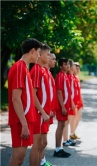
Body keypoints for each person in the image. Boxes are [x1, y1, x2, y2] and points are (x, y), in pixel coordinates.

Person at [7, 38, 42, 166]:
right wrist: (24, 124)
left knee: (19, 158)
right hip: (20, 121)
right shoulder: (19, 67)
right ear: (32, 51)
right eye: (38, 52)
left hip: (24, 120)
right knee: (18, 157)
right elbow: (15, 98)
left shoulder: (24, 68)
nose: (39, 55)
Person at [29, 43, 51, 166]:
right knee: (36, 145)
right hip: (38, 114)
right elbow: (33, 94)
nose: (48, 57)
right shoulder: (37, 70)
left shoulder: (42, 70)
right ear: (40, 54)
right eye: (47, 54)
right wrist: (42, 111)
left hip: (44, 114)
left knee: (41, 144)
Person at [40, 53, 57, 166]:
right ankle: (41, 162)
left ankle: (43, 161)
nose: (54, 60)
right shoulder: (39, 71)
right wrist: (43, 111)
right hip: (41, 113)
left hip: (48, 112)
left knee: (43, 142)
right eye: (51, 57)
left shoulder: (48, 73)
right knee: (40, 142)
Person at [54, 58, 71, 158]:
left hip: (65, 106)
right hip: (62, 106)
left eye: (68, 64)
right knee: (60, 126)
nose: (68, 66)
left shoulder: (65, 76)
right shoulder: (60, 76)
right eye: (65, 64)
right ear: (60, 66)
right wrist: (63, 107)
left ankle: (60, 148)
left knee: (62, 126)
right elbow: (59, 92)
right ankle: (57, 149)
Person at [62, 59, 76, 146]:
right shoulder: (67, 77)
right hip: (68, 103)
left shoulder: (71, 77)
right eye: (74, 65)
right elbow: (68, 92)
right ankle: (65, 140)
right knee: (66, 122)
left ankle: (66, 139)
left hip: (70, 102)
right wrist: (71, 102)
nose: (75, 67)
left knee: (67, 122)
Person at [70, 62, 84, 140]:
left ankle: (73, 132)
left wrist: (81, 100)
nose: (78, 69)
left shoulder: (77, 78)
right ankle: (71, 133)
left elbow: (79, 91)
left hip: (78, 101)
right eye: (76, 67)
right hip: (73, 102)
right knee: (73, 118)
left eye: (79, 68)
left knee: (78, 116)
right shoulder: (71, 78)